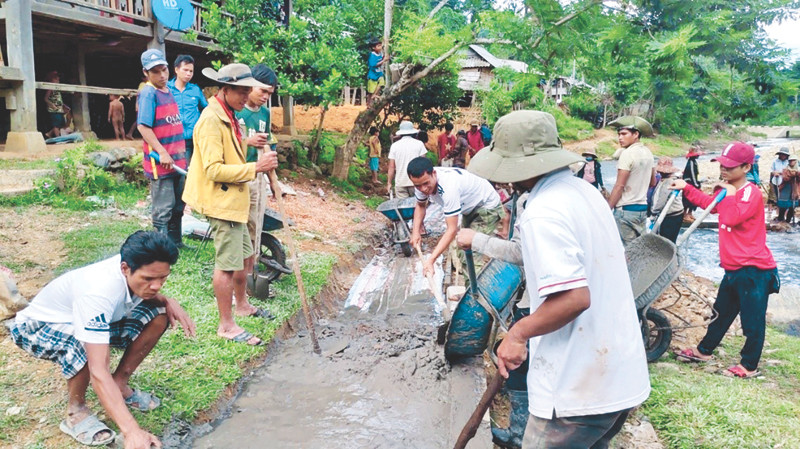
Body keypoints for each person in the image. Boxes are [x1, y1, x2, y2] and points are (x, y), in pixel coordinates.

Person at [468, 110, 650, 447]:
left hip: (576, 391)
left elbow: (574, 298)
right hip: (615, 376)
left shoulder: (544, 211)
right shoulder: (584, 192)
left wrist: (518, 333)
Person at [8, 231, 196, 448]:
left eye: (163, 278)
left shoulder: (132, 266)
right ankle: (76, 411)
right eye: (148, 279)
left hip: (82, 317)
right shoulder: (97, 293)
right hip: (36, 327)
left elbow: (153, 293)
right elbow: (99, 371)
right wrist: (132, 431)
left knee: (159, 314)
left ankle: (119, 384)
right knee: (83, 344)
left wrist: (167, 300)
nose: (156, 286)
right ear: (125, 268)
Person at [182, 63, 279, 346]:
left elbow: (232, 152)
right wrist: (255, 168)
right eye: (242, 92)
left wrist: (251, 148)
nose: (247, 96)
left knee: (245, 255)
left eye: (249, 90)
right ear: (225, 89)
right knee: (226, 264)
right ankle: (226, 325)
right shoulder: (211, 120)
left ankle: (243, 305)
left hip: (234, 198)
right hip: (221, 200)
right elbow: (213, 169)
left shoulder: (230, 115)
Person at [674, 142, 779, 379]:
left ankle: (749, 366)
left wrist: (729, 194)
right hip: (734, 268)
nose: (724, 170)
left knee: (752, 321)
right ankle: (704, 351)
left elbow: (730, 218)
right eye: (722, 165)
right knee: (720, 314)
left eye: (730, 167)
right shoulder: (729, 190)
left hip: (753, 269)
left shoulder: (750, 193)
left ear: (746, 167)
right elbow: (710, 205)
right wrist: (686, 188)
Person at [456, 192, 531, 448]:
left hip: (544, 302)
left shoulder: (532, 202)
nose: (502, 227)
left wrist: (476, 240)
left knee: (520, 368)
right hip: (544, 296)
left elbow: (520, 251)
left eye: (506, 221)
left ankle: (521, 434)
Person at [407, 156, 503, 278]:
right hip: (469, 208)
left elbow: (451, 230)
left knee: (471, 255)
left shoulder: (448, 186)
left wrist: (431, 260)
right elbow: (420, 205)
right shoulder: (421, 183)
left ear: (434, 174)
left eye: (426, 184)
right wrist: (415, 232)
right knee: (463, 249)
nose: (423, 189)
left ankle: (477, 295)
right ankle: (472, 289)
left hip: (486, 206)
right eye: (418, 186)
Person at [236, 63, 280, 308]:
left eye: (270, 94)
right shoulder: (238, 112)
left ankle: (250, 278)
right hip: (239, 176)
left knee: (255, 227)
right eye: (263, 91)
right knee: (240, 230)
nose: (265, 97)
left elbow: (268, 147)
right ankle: (238, 280)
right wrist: (247, 142)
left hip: (258, 176)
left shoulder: (264, 114)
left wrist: (274, 181)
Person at [137, 49, 189, 249]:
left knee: (178, 204)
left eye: (164, 70)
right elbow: (143, 126)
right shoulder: (149, 93)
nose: (162, 76)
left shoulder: (169, 91)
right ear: (146, 73)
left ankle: (176, 242)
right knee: (163, 207)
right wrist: (162, 152)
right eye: (156, 72)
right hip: (161, 162)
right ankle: (161, 247)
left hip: (178, 160)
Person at [606, 116, 656, 246]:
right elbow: (653, 183)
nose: (620, 138)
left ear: (636, 134)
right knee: (640, 248)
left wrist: (606, 209)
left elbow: (619, 186)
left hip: (625, 210)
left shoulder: (627, 154)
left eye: (624, 134)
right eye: (619, 134)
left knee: (627, 251)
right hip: (642, 209)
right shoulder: (648, 153)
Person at [168, 54, 208, 167]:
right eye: (185, 70)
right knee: (179, 171)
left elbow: (205, 109)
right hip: (174, 138)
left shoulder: (195, 90)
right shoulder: (167, 89)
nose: (188, 74)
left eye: (191, 71)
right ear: (176, 69)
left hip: (194, 139)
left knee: (194, 170)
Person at [386, 120, 428, 199]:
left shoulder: (395, 146)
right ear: (412, 132)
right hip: (417, 182)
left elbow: (391, 167)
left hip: (400, 182)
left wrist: (389, 183)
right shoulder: (419, 144)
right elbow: (424, 164)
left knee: (403, 209)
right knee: (418, 206)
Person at [651, 157, 685, 243]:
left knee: (667, 240)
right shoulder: (665, 180)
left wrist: (653, 212)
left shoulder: (668, 182)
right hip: (673, 213)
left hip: (672, 215)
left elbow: (662, 200)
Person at [43, 71, 71, 139]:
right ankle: (59, 138)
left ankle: (49, 134)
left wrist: (63, 105)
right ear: (51, 80)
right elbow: (45, 99)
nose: (58, 80)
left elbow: (59, 100)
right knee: (56, 125)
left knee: (60, 124)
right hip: (54, 110)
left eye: (58, 79)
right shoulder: (50, 88)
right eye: (56, 79)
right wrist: (51, 105)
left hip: (59, 109)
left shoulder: (57, 89)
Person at [682, 147, 703, 222]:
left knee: (694, 199)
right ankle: (685, 214)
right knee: (687, 200)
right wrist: (696, 184)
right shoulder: (691, 162)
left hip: (693, 183)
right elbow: (692, 174)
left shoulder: (694, 162)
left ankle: (690, 213)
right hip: (689, 183)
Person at [776, 154, 799, 223]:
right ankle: (780, 219)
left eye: (793, 161)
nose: (791, 162)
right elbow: (785, 178)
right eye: (790, 161)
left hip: (794, 189)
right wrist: (793, 174)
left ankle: (788, 220)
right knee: (783, 204)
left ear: (796, 161)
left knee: (792, 205)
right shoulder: (785, 169)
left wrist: (796, 174)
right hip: (785, 189)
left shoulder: (798, 169)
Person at [770, 147, 791, 221]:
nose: (783, 156)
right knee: (778, 196)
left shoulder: (789, 162)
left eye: (784, 155)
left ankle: (786, 214)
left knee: (785, 198)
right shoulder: (775, 162)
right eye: (782, 154)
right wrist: (775, 173)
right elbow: (771, 170)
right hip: (777, 181)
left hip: (786, 182)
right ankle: (780, 215)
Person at [366, 39, 389, 105]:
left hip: (379, 73)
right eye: (378, 46)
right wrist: (383, 60)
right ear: (373, 48)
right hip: (373, 75)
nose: (380, 47)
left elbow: (383, 57)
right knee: (370, 91)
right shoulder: (372, 55)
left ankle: (374, 95)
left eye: (380, 45)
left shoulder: (381, 53)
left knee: (381, 83)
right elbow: (374, 65)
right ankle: (368, 104)